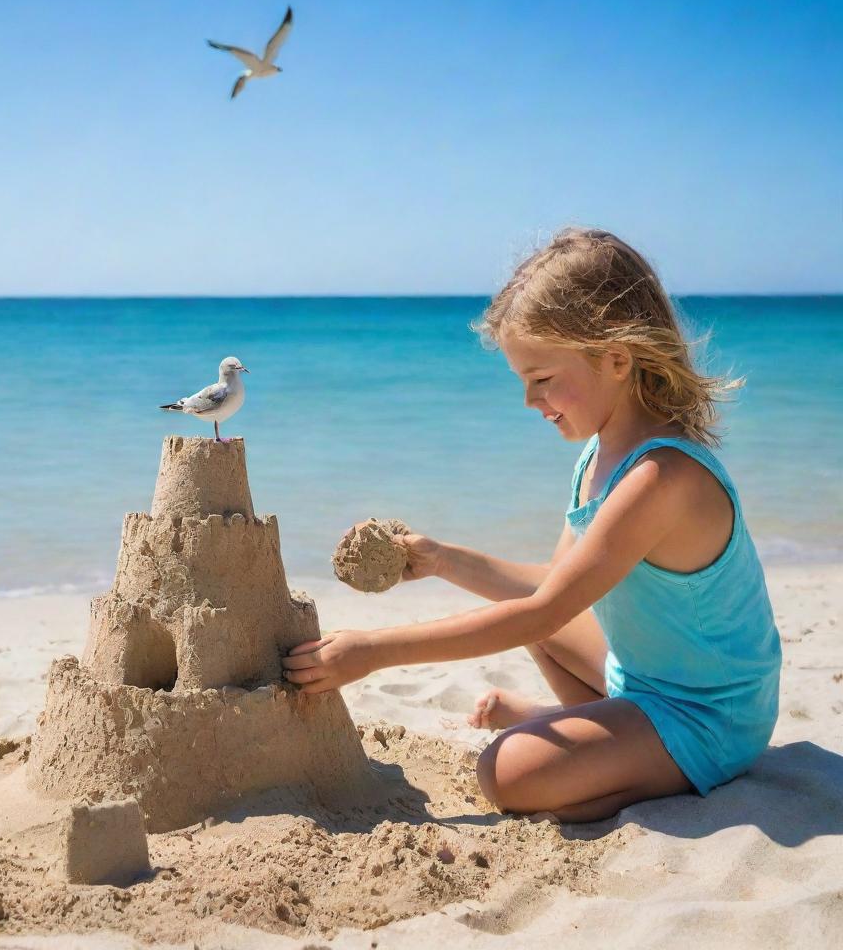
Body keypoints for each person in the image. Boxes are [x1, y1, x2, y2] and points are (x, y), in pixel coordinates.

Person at [282, 228, 782, 823]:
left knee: (506, 773)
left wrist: (373, 651)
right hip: (639, 677)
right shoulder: (598, 458)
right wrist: (443, 560)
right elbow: (550, 588)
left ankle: (618, 757)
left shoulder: (661, 478)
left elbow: (545, 609)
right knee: (533, 614)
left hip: (707, 715)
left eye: (542, 379)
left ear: (616, 358)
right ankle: (597, 733)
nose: (528, 400)